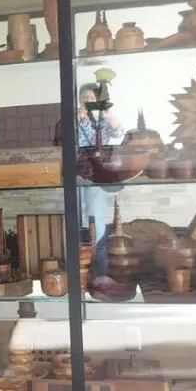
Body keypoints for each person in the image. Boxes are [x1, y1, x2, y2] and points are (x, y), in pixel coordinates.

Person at [77, 83, 125, 276]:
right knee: (74, 218)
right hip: (77, 173)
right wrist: (78, 120)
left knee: (97, 219)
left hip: (97, 175)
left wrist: (107, 111)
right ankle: (80, 272)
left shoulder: (103, 122)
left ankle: (100, 273)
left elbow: (119, 132)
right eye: (84, 98)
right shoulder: (74, 119)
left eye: (91, 98)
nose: (88, 101)